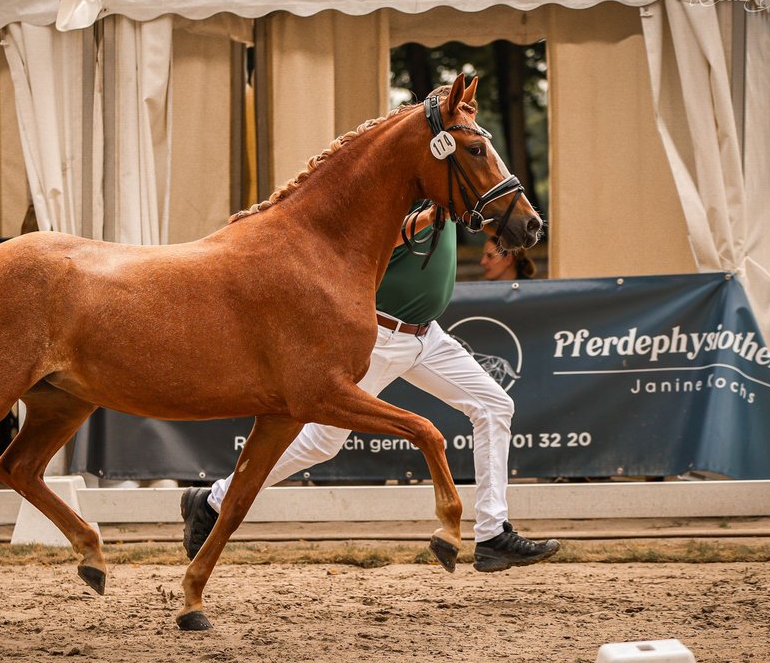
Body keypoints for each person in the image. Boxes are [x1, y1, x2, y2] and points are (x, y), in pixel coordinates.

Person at [181, 203, 561, 572]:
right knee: (322, 443)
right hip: (378, 337)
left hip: (429, 337)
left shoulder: (447, 191)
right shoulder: (402, 191)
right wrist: (429, 216)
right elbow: (378, 240)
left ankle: (493, 534)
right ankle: (212, 501)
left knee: (495, 405)